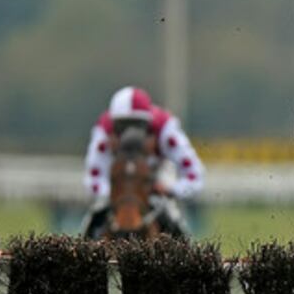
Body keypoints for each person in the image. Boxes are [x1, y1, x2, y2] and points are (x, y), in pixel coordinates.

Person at [81, 86, 204, 238]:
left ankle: (187, 252)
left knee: (171, 214)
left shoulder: (166, 129)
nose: (129, 134)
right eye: (123, 127)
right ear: (113, 123)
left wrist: (170, 189)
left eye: (137, 126)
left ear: (148, 122)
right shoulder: (103, 132)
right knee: (95, 213)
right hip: (116, 182)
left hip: (156, 177)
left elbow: (195, 176)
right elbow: (94, 179)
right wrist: (115, 195)